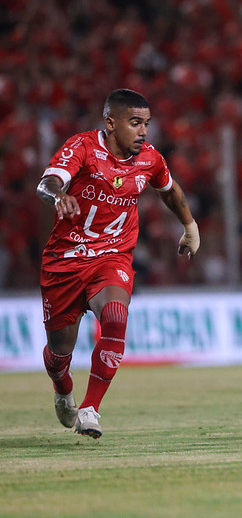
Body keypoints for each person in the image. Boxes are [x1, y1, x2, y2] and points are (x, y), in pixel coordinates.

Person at [36, 88, 200, 438]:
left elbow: (168, 190)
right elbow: (48, 181)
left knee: (115, 315)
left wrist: (190, 226)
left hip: (112, 257)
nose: (143, 131)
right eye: (135, 123)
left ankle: (90, 409)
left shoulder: (150, 159)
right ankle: (62, 388)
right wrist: (59, 193)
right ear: (111, 123)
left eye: (147, 124)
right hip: (65, 261)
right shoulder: (82, 147)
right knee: (58, 353)